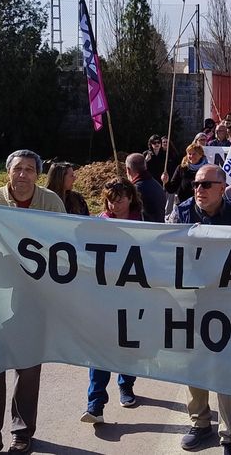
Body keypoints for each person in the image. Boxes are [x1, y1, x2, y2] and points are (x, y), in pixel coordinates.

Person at [0, 150, 66, 455]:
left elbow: (64, 248)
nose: (23, 175)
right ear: (8, 173)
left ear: (38, 175)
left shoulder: (51, 203)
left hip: (33, 302)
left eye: (29, 170)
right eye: (17, 169)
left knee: (29, 371)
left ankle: (22, 433)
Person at [172, 165, 231, 454]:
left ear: (222, 187)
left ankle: (229, 435)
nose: (199, 189)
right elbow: (167, 249)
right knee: (194, 364)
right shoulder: (181, 212)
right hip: (192, 301)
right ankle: (200, 422)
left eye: (206, 184)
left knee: (226, 366)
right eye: (196, 184)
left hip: (228, 301)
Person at [82, 179, 142, 422]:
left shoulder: (144, 224)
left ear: (130, 199)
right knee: (100, 349)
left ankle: (126, 384)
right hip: (104, 298)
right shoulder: (97, 224)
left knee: (128, 346)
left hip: (133, 297)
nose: (113, 205)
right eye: (109, 200)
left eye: (118, 200)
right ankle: (95, 403)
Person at [126, 153, 167, 223]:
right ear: (145, 167)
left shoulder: (135, 190)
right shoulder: (157, 185)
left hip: (145, 230)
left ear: (128, 170)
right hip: (160, 228)